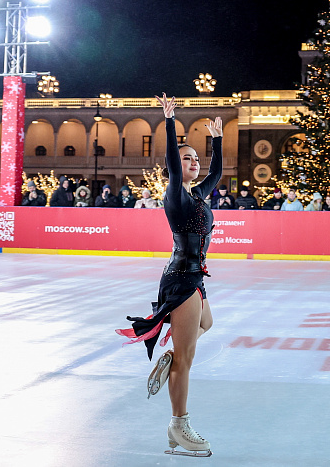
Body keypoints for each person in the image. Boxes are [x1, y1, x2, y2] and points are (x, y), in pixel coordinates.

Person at [116, 95, 220, 457]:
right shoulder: (176, 194)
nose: (193, 162)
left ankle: (172, 358)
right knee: (187, 358)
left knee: (206, 323)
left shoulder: (200, 195)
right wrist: (171, 120)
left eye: (196, 158)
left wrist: (217, 140)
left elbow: (217, 173)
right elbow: (175, 164)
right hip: (181, 279)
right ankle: (179, 424)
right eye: (187, 158)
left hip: (195, 276)